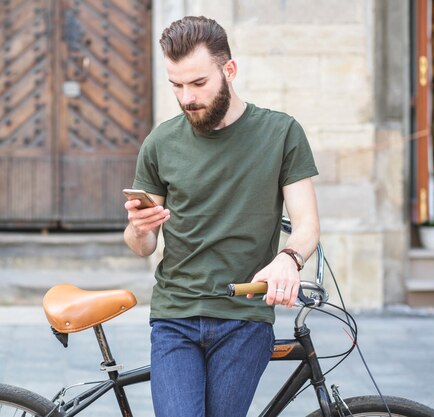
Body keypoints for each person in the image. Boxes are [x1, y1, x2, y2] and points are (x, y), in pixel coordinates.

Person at [123, 16, 320, 417]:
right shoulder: (160, 142)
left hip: (244, 317)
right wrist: (139, 230)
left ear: (229, 70)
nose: (187, 97)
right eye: (176, 85)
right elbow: (142, 246)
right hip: (175, 316)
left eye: (198, 83)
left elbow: (307, 225)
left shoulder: (281, 133)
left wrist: (288, 259)